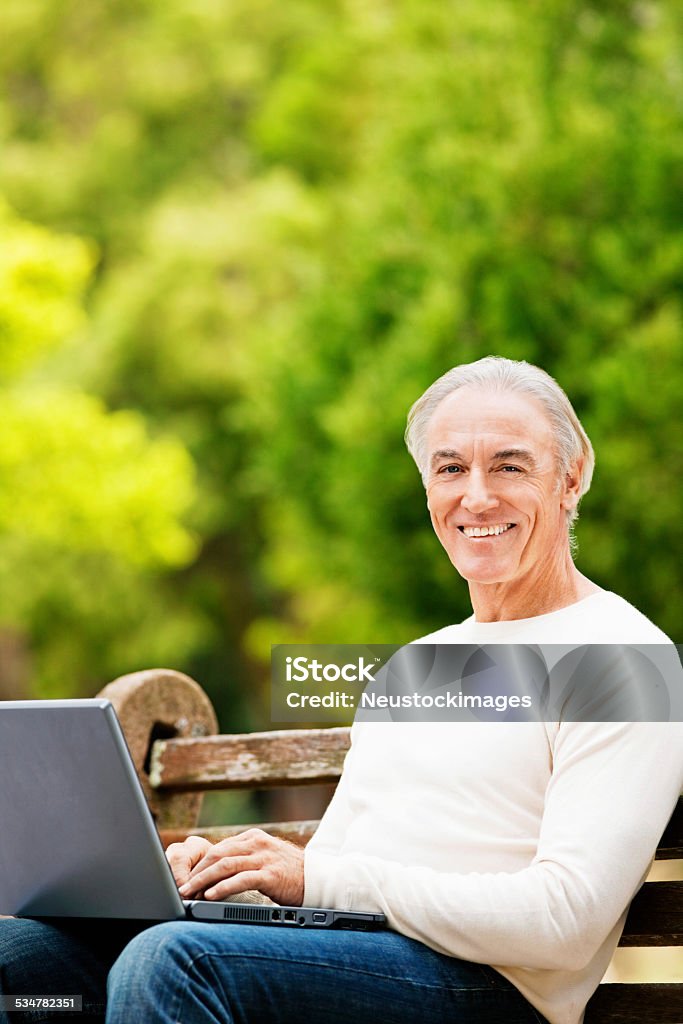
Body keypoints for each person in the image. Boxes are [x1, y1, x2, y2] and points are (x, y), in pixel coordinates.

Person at [1, 356, 681, 1024]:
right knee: (23, 969)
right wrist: (236, 877)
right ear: (427, 490)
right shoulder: (419, 665)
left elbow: (562, 922)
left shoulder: (624, 660)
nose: (475, 496)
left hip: (492, 992)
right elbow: (331, 875)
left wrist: (312, 880)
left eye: (508, 465)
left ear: (571, 477)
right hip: (349, 963)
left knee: (174, 964)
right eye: (449, 468)